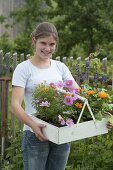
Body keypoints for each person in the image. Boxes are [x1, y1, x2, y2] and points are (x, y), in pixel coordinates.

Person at [11, 22, 79, 170]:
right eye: (43, 43)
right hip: (35, 134)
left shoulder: (60, 67)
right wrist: (33, 125)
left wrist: (103, 113)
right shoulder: (23, 68)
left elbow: (78, 93)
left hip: (61, 133)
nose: (48, 49)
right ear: (34, 40)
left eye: (52, 44)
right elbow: (15, 105)